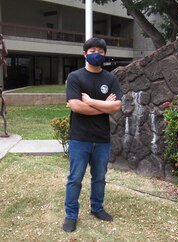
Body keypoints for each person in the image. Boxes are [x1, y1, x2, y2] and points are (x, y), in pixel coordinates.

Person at [63, 37, 122, 232]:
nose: (96, 54)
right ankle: (71, 215)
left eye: (101, 51)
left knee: (99, 177)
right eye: (92, 50)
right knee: (75, 178)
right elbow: (76, 106)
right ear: (84, 54)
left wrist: (91, 101)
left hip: (102, 139)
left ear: (105, 55)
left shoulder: (110, 78)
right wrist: (104, 106)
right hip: (80, 137)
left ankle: (97, 208)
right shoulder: (75, 77)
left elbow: (117, 106)